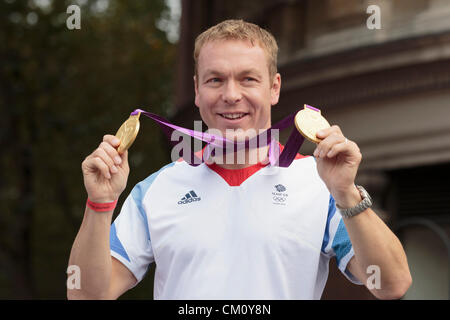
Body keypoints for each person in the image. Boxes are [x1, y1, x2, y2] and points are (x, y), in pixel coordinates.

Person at [67, 19, 412, 300]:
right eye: (215, 80)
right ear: (198, 91)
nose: (231, 95)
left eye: (248, 79)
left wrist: (348, 193)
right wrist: (100, 203)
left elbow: (392, 284)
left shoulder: (321, 185)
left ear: (274, 88)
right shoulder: (157, 189)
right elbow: (86, 296)